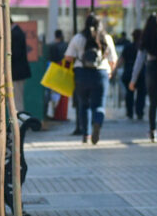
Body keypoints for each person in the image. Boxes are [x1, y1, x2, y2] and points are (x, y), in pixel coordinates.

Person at [64, 14, 118, 145]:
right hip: (101, 73)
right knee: (99, 105)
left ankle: (85, 134)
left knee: (84, 105)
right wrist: (110, 71)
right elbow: (113, 59)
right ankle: (97, 123)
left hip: (82, 74)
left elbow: (68, 57)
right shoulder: (106, 38)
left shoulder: (78, 38)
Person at [130, 14, 157, 143]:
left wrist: (133, 79)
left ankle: (152, 131)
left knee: (153, 102)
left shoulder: (146, 39)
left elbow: (139, 61)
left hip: (152, 69)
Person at [117, 29, 145, 120]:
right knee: (141, 94)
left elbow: (121, 60)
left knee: (129, 94)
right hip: (141, 73)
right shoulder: (143, 47)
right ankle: (139, 112)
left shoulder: (128, 47)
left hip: (128, 72)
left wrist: (114, 70)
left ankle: (130, 113)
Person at [45, 29, 68, 118]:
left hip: (53, 70)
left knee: (52, 93)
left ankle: (54, 112)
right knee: (61, 95)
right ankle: (60, 114)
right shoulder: (66, 45)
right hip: (64, 71)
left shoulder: (52, 46)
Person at [11, 20, 31, 112]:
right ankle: (18, 124)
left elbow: (15, 54)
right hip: (17, 72)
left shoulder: (15, 34)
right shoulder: (17, 32)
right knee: (16, 101)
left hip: (16, 73)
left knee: (17, 102)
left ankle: (19, 124)